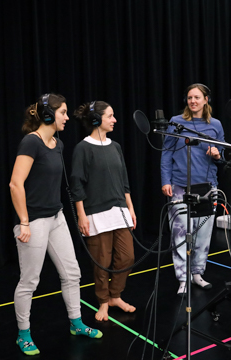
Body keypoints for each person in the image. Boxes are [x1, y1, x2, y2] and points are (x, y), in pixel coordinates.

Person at [9, 94, 102, 356]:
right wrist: (25, 222)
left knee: (72, 273)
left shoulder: (57, 144)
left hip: (56, 217)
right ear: (48, 116)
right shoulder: (31, 143)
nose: (67, 117)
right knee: (30, 281)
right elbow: (16, 184)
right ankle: (23, 335)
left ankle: (76, 323)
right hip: (33, 221)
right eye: (62, 112)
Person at [70, 101, 137, 321]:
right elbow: (77, 184)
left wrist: (130, 207)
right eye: (110, 116)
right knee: (102, 261)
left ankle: (115, 295)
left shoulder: (115, 146)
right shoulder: (83, 148)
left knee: (127, 257)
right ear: (97, 120)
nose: (114, 120)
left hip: (119, 211)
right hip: (95, 214)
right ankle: (103, 301)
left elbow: (124, 179)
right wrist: (81, 215)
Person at [160, 84, 225, 295]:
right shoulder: (176, 123)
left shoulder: (215, 125)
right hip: (179, 185)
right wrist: (165, 180)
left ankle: (197, 273)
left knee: (203, 233)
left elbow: (222, 154)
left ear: (206, 100)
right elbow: (166, 153)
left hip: (207, 186)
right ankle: (183, 277)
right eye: (190, 97)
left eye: (197, 97)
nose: (193, 101)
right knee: (181, 233)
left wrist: (217, 155)